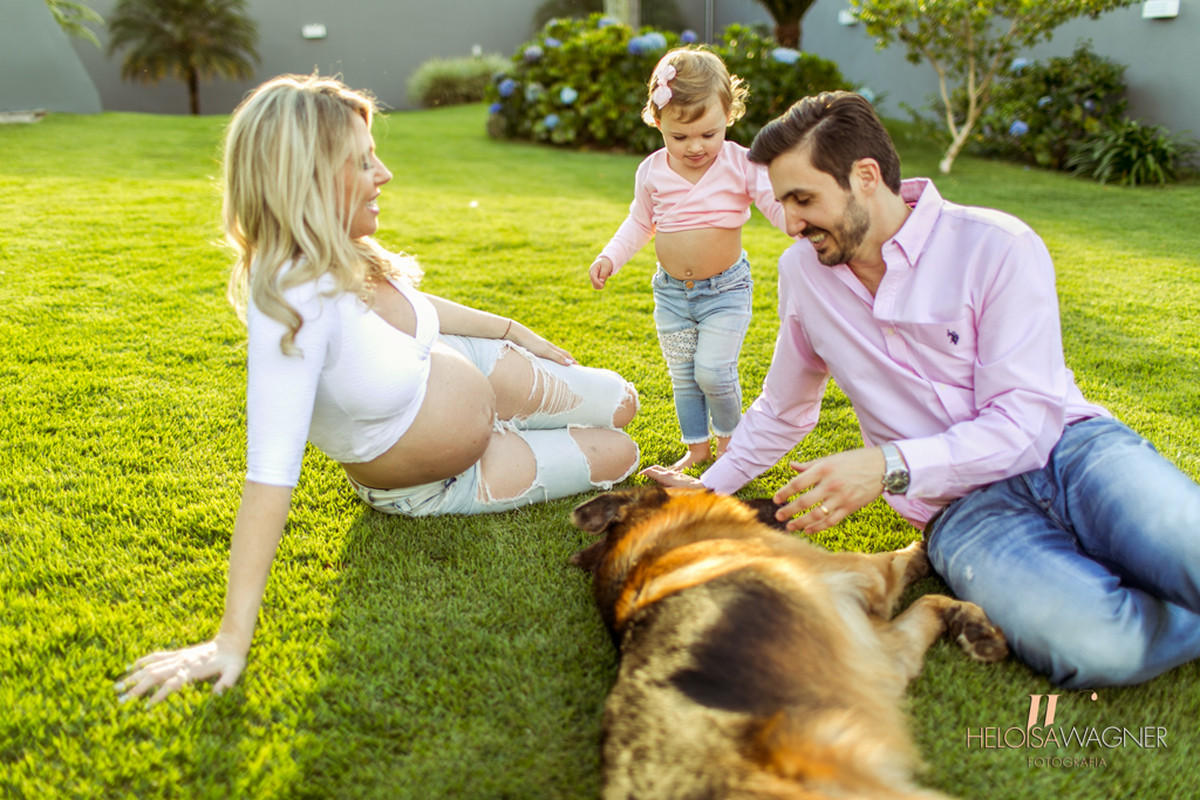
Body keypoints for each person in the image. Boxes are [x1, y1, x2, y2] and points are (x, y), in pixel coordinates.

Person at [645, 90, 1200, 689]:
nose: (792, 223)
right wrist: (708, 491)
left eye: (803, 199)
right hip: (961, 511)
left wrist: (888, 465)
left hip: (1071, 451)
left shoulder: (996, 245)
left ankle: (1152, 569)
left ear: (865, 177)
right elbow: (784, 408)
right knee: (1100, 648)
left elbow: (1025, 423)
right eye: (783, 203)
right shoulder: (802, 272)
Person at [116, 74, 640, 705]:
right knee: (622, 453)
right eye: (363, 163)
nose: (384, 174)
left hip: (465, 366)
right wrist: (230, 640)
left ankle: (517, 414)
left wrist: (511, 329)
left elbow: (414, 308)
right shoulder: (290, 303)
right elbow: (269, 476)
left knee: (624, 403)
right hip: (437, 478)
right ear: (309, 179)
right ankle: (509, 434)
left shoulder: (341, 248)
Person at [589, 47, 786, 471]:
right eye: (680, 137)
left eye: (708, 134)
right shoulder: (652, 171)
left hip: (725, 291)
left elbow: (774, 204)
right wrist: (610, 257)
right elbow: (640, 222)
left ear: (728, 116)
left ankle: (730, 446)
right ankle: (697, 448)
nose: (695, 147)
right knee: (684, 375)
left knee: (712, 371)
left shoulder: (741, 164)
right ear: (657, 121)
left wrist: (801, 226)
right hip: (673, 295)